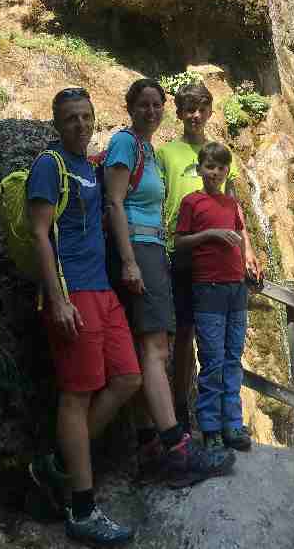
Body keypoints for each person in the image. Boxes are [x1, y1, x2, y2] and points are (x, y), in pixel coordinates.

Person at [105, 78, 235, 487]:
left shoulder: (143, 148)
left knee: (155, 348)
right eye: (144, 104)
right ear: (131, 107)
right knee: (157, 347)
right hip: (142, 251)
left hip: (153, 250)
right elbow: (114, 200)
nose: (151, 111)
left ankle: (151, 444)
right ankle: (177, 446)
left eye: (156, 104)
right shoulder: (130, 144)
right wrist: (129, 261)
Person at [26, 87, 141, 546]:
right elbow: (39, 234)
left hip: (104, 291)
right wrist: (57, 300)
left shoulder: (88, 167)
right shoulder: (48, 166)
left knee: (128, 378)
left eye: (86, 116)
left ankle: (58, 464)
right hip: (73, 292)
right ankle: (82, 507)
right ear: (58, 124)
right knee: (77, 395)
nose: (80, 124)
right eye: (71, 118)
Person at [155, 82, 260, 436]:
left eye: (201, 109)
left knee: (220, 346)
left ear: (210, 112)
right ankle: (181, 408)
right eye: (188, 109)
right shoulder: (166, 153)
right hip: (182, 252)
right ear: (180, 113)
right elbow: (160, 197)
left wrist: (249, 251)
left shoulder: (221, 155)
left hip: (220, 264)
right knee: (184, 332)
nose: (195, 115)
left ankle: (222, 420)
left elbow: (234, 209)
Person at [175, 142, 252, 452]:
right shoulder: (191, 202)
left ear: (226, 171)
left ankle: (232, 424)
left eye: (221, 168)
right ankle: (210, 427)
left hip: (236, 288)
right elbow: (179, 242)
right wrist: (210, 235)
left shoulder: (231, 204)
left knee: (233, 358)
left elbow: (240, 239)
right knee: (212, 360)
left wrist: (246, 267)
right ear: (200, 168)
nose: (215, 173)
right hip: (207, 287)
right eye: (210, 167)